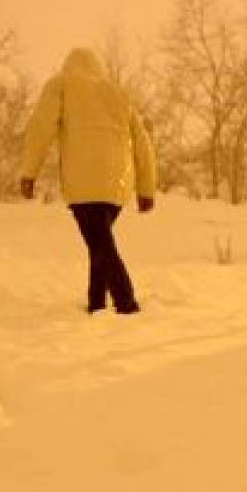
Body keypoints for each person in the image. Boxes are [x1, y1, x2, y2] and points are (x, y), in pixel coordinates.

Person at [17, 47, 158, 314]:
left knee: (101, 244)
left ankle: (126, 303)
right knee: (99, 241)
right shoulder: (118, 94)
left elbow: (41, 127)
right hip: (117, 184)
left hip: (84, 183)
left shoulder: (62, 84)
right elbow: (143, 144)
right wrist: (146, 189)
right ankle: (96, 303)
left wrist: (28, 172)